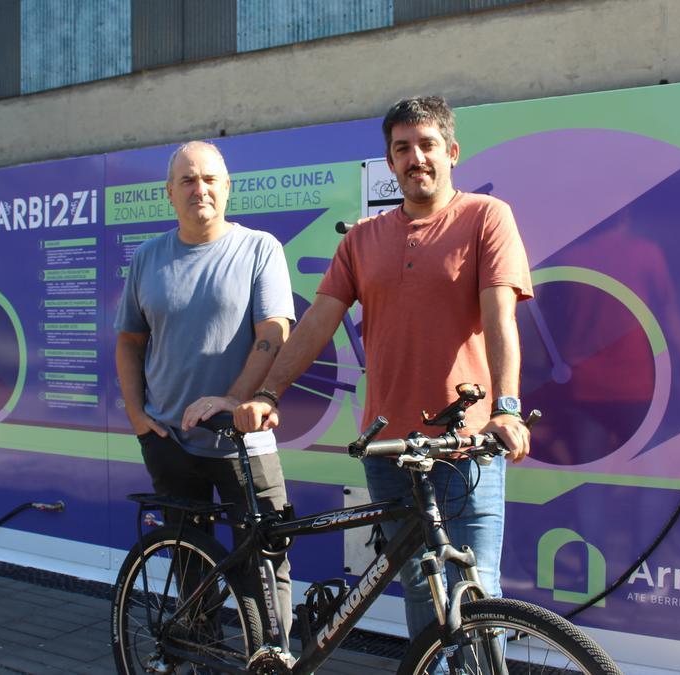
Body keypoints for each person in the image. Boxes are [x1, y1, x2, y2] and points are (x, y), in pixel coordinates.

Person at [234, 96, 533, 639]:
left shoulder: (487, 217)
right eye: (402, 148)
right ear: (390, 162)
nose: (416, 158)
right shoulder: (361, 239)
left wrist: (507, 409)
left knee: (475, 591)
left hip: (465, 447)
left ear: (452, 152)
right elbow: (317, 324)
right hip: (390, 449)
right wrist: (269, 393)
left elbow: (500, 320)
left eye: (427, 145)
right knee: (421, 588)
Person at [114, 140, 295, 635]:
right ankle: (202, 658)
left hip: (245, 444)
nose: (200, 189)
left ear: (227, 187)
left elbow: (274, 332)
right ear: (169, 192)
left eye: (210, 179)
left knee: (264, 565)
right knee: (192, 570)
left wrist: (234, 400)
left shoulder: (259, 248)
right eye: (188, 180)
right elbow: (129, 341)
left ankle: (272, 660)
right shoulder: (148, 257)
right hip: (170, 441)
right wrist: (137, 416)